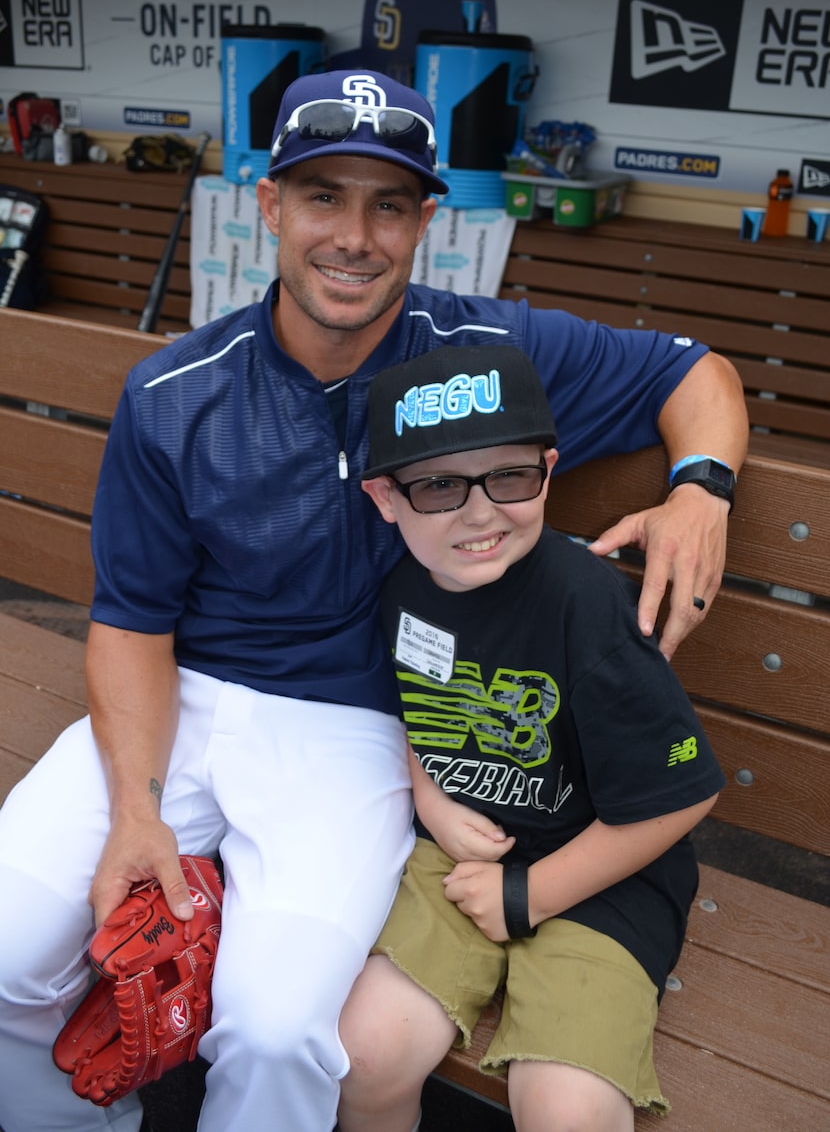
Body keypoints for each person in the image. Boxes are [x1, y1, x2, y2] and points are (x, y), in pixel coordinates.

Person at [0, 68, 746, 1132]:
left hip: (356, 727)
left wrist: (698, 488)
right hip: (181, 699)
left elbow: (694, 371)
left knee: (275, 1027)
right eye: (322, 197)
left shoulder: (483, 358)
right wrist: (135, 811)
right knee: (8, 943)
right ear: (267, 204)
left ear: (424, 221)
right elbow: (130, 621)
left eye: (388, 202)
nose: (353, 235)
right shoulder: (176, 389)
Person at [338, 343, 726, 1132]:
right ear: (385, 496)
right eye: (440, 484)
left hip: (605, 874)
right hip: (462, 851)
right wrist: (429, 796)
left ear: (548, 468)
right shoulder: (404, 586)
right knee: (365, 1051)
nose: (479, 512)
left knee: (567, 1109)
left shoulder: (587, 606)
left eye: (509, 477)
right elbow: (420, 707)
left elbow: (683, 794)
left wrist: (529, 894)